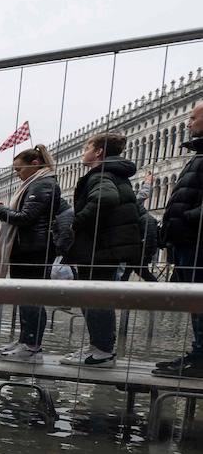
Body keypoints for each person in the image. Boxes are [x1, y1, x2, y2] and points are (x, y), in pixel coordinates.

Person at [61, 132, 143, 368]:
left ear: (98, 152)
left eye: (87, 147)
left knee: (94, 297)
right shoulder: (114, 173)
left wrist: (77, 222)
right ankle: (99, 347)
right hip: (106, 246)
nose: (83, 152)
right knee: (97, 296)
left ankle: (102, 352)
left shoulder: (101, 174)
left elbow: (105, 199)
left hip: (100, 247)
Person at [0, 144, 62, 363]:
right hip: (29, 247)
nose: (17, 175)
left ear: (35, 164)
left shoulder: (42, 184)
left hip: (33, 249)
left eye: (19, 169)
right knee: (25, 298)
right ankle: (25, 341)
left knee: (32, 298)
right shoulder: (36, 183)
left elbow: (25, 217)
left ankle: (31, 347)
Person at [156, 100, 203, 377]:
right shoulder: (198, 153)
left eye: (193, 117)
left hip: (198, 240)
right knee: (195, 303)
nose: (188, 123)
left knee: (200, 300)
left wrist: (187, 218)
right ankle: (198, 355)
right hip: (189, 241)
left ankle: (200, 361)